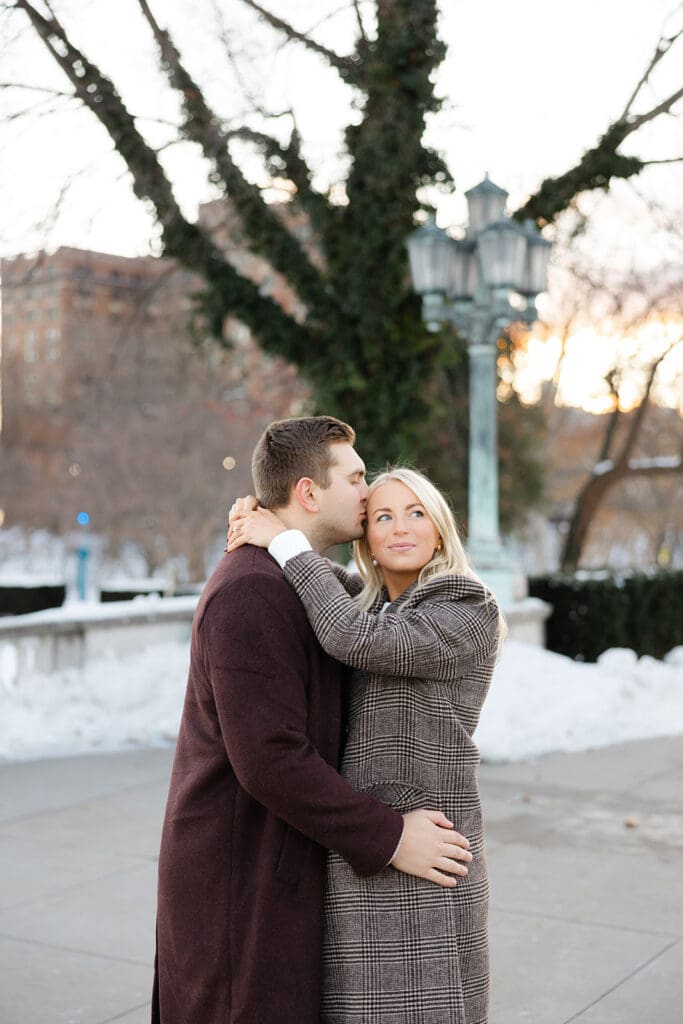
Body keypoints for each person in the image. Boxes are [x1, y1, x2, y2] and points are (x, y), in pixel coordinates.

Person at [152, 418, 473, 1024]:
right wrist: (390, 836)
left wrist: (277, 537)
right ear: (307, 492)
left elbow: (357, 616)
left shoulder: (291, 581)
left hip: (273, 868)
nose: (367, 493)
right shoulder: (251, 591)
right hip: (239, 884)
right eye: (355, 479)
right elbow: (270, 759)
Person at [227, 465, 502, 1024]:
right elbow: (332, 592)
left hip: (430, 853)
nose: (400, 527)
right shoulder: (378, 606)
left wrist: (283, 540)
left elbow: (352, 635)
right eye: (383, 516)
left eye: (416, 513)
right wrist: (266, 522)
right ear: (367, 540)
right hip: (370, 851)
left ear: (440, 531)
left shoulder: (468, 607)